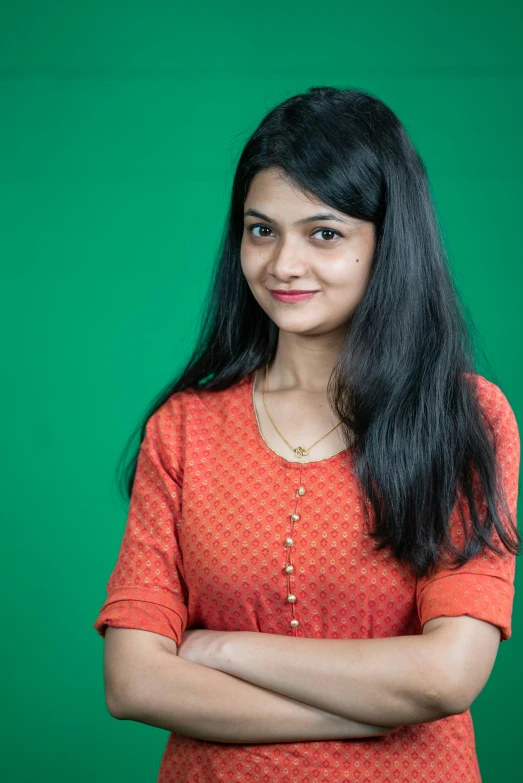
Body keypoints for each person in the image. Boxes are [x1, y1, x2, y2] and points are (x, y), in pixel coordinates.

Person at [93, 86, 520, 783]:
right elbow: (134, 682)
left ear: (389, 241)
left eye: (323, 233)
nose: (282, 264)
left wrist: (222, 650)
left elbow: (445, 676)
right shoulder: (183, 429)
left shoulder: (465, 419)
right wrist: (371, 708)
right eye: (261, 230)